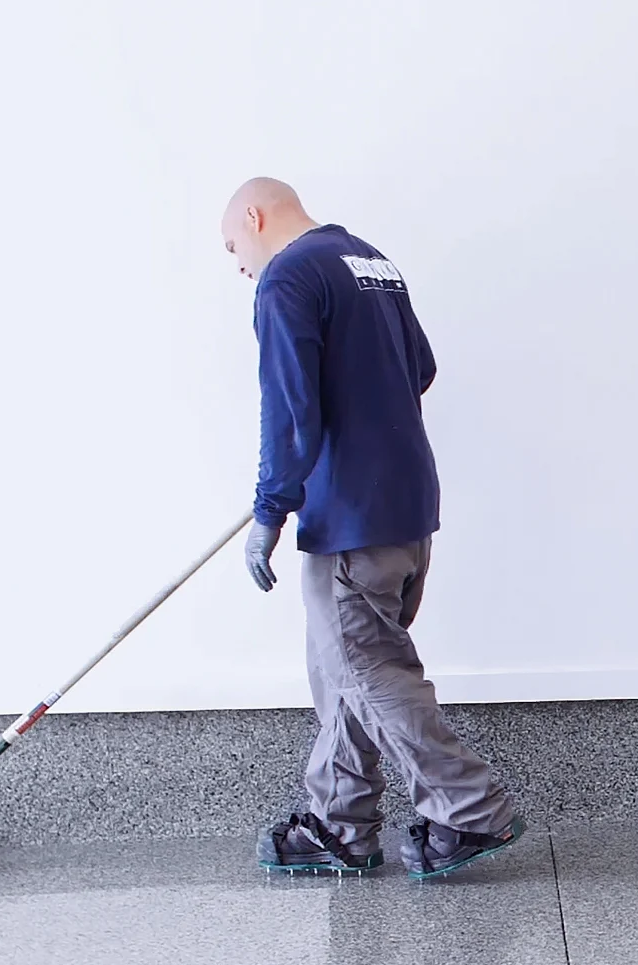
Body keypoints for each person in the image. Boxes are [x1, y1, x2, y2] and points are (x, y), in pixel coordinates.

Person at [220, 177, 524, 879]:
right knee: (345, 672)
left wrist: (269, 510)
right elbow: (421, 368)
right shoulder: (369, 260)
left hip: (350, 520)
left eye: (231, 245)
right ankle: (340, 825)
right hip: (406, 506)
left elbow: (289, 409)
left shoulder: (287, 278)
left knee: (372, 671)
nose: (236, 264)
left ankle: (471, 811)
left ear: (254, 217)